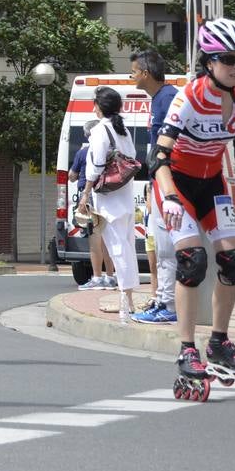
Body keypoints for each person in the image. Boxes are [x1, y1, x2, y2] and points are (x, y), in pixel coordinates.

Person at [154, 20, 235, 401]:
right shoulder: (188, 98)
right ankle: (187, 348)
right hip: (177, 184)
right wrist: (168, 198)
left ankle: (219, 343)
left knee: (232, 259)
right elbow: (159, 157)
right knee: (193, 260)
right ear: (208, 61)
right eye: (228, 59)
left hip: (213, 182)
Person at [131, 50, 179, 324]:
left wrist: (163, 185)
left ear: (146, 73)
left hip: (168, 185)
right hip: (159, 184)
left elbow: (173, 145)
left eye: (134, 72)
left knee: (165, 249)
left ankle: (168, 306)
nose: (132, 77)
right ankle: (163, 301)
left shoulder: (168, 98)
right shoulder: (160, 99)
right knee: (161, 249)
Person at [85, 86, 139, 322]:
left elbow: (96, 165)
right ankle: (127, 300)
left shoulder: (100, 131)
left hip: (108, 199)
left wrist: (86, 192)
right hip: (125, 196)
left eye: (95, 103)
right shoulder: (123, 130)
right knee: (126, 247)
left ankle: (126, 303)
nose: (93, 107)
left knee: (118, 249)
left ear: (100, 107)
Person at [71, 122, 114, 289]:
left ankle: (97, 277)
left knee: (94, 239)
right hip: (108, 196)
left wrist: (85, 195)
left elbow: (72, 176)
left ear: (87, 135)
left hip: (91, 199)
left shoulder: (84, 152)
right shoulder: (110, 152)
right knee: (107, 239)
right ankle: (110, 276)